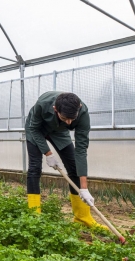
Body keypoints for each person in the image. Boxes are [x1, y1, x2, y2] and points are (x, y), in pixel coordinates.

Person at [25, 91, 106, 229]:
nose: (69, 122)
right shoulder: (42, 104)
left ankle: (82, 217)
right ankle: (34, 216)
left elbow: (81, 149)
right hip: (36, 129)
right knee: (35, 168)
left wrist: (84, 188)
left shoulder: (83, 113)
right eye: (65, 118)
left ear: (79, 107)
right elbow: (34, 128)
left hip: (59, 132)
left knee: (74, 167)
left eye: (72, 119)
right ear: (55, 109)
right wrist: (48, 153)